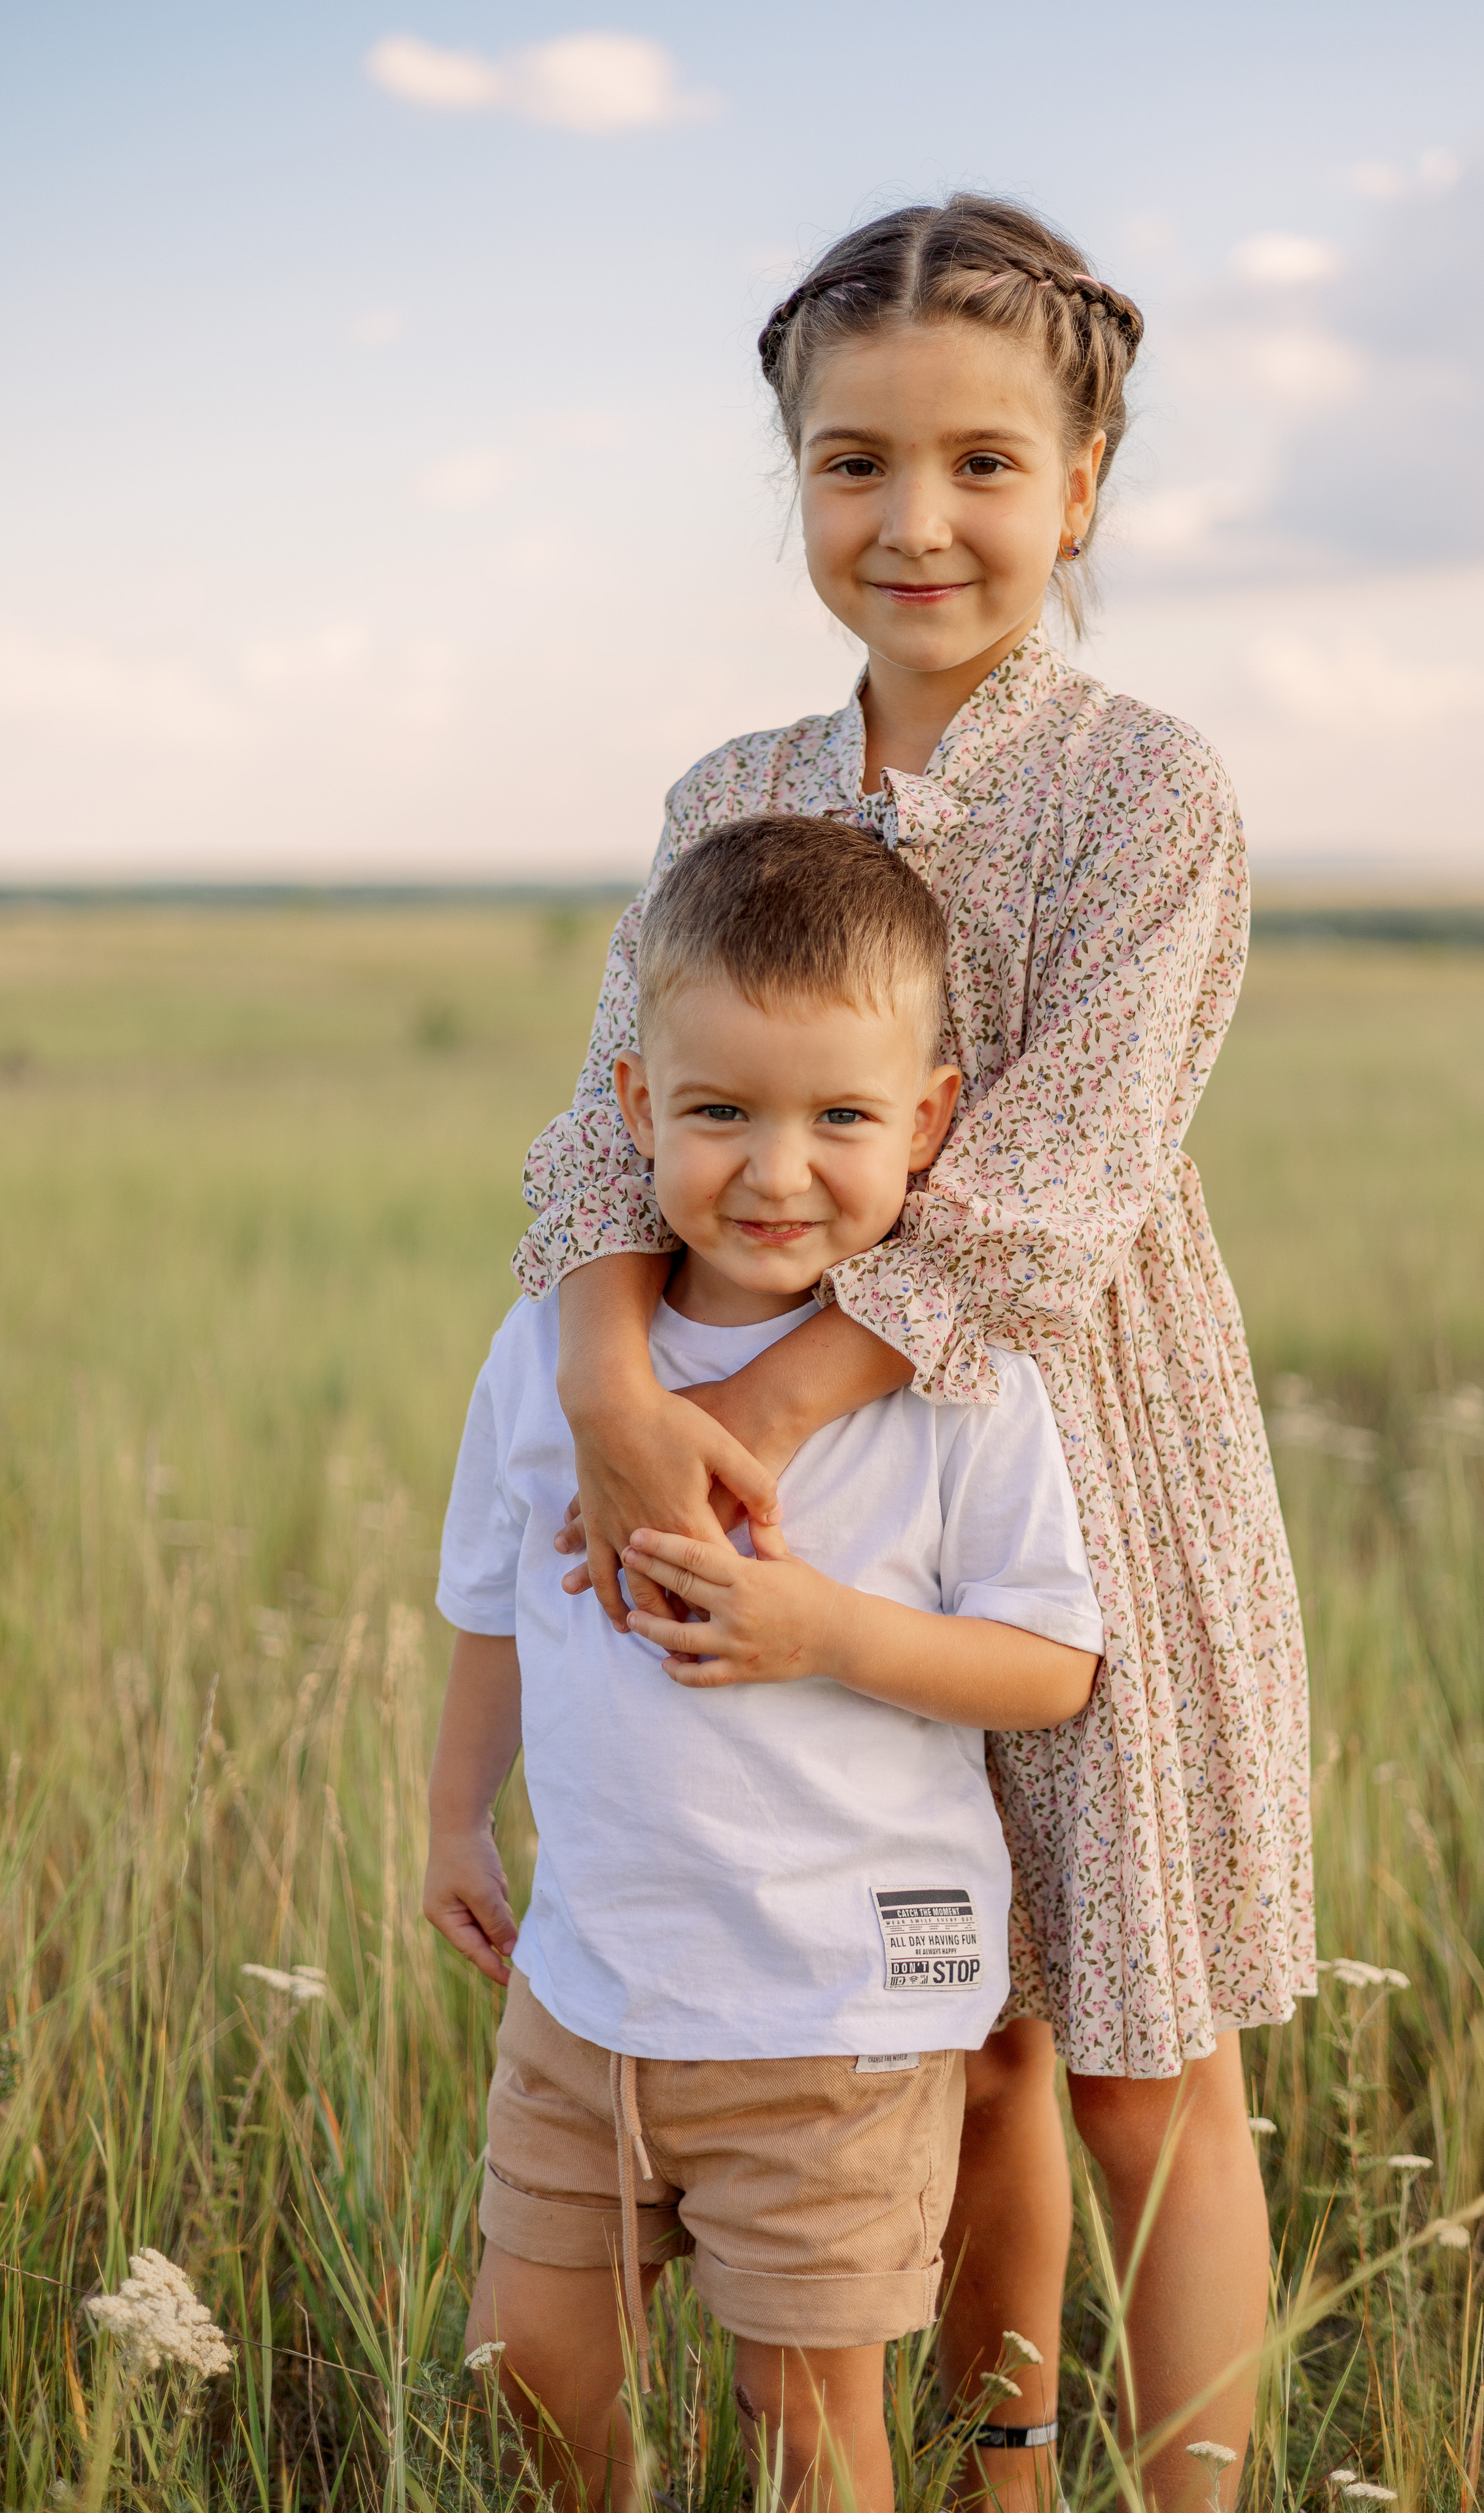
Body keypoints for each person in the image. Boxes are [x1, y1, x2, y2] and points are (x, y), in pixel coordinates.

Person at [516, 194, 1317, 2512]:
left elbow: (1054, 1182)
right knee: (939, 2050)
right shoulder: (724, 797)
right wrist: (608, 1398)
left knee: (1140, 2061)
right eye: (854, 462)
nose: (918, 518)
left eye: (983, 462)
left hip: (1089, 1462)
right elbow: (600, 1138)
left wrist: (734, 1418)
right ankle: (1001, 2477)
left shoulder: (1148, 794)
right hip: (755, 1497)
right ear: (795, 485)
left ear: (1081, 488)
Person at [426, 814, 1106, 2513]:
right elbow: (501, 1596)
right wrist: (454, 1820)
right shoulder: (556, 1354)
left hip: (834, 2014)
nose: (777, 1169)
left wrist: (827, 1633)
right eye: (721, 1111)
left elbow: (1048, 1670)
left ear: (929, 1124)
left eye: (843, 1119)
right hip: (589, 1990)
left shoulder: (958, 1391)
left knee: (813, 2431)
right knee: (529, 2363)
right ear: (639, 1110)